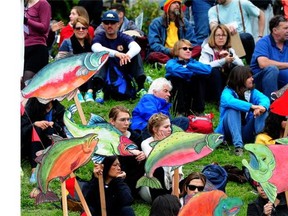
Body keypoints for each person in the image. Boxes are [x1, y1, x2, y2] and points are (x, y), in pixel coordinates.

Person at [89, 10, 147, 104]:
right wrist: (116, 53)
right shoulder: (100, 36)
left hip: (122, 68)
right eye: (106, 23)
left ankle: (141, 87)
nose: (109, 25)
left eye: (112, 23)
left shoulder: (123, 36)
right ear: (103, 25)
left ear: (118, 24)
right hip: (105, 70)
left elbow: (136, 47)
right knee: (100, 55)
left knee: (136, 55)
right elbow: (95, 47)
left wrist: (127, 55)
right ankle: (99, 90)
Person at [215, 65, 270, 156]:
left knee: (262, 111)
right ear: (240, 78)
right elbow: (229, 101)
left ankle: (260, 143)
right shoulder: (227, 92)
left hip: (245, 131)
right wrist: (252, 106)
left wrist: (262, 107)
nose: (252, 79)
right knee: (232, 110)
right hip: (229, 133)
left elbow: (265, 99)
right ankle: (238, 147)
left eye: (252, 76)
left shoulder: (252, 91)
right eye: (249, 77)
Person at [139, 113, 184, 202]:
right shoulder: (146, 143)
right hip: (152, 187)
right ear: (155, 129)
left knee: (193, 179)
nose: (170, 130)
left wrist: (176, 188)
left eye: (170, 126)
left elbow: (177, 167)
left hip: (171, 183)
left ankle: (174, 195)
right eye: (166, 127)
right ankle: (165, 200)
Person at [21, 97, 67, 184]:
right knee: (37, 129)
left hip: (50, 142)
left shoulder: (59, 109)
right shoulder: (32, 105)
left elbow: (63, 131)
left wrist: (54, 124)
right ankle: (35, 170)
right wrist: (34, 124)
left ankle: (52, 166)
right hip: (32, 143)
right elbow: (22, 128)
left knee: (51, 130)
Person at [208, 0, 265, 65]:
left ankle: (252, 66)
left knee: (245, 37)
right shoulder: (213, 10)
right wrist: (225, 27)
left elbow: (261, 14)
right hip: (227, 44)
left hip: (245, 42)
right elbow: (213, 26)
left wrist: (260, 36)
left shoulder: (242, 3)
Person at [165, 39, 212, 116]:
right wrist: (192, 72)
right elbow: (174, 69)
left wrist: (188, 66)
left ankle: (198, 111)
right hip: (178, 96)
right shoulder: (171, 62)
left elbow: (208, 70)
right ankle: (179, 112)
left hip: (192, 95)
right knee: (177, 78)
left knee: (199, 77)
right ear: (177, 50)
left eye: (190, 49)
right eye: (185, 48)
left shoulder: (193, 62)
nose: (188, 51)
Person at [146, 0, 201, 66]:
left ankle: (171, 63)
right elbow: (154, 44)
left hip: (182, 52)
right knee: (153, 55)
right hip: (165, 53)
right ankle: (180, 62)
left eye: (178, 3)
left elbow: (193, 42)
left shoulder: (185, 23)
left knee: (198, 48)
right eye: (174, 3)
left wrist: (183, 50)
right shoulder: (156, 23)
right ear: (167, 6)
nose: (177, 5)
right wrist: (169, 51)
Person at [199, 24, 244, 102]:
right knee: (215, 71)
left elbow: (241, 65)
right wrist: (223, 61)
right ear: (213, 37)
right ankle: (220, 101)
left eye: (223, 35)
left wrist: (231, 58)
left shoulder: (229, 49)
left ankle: (238, 97)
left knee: (236, 69)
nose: (221, 38)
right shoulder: (207, 48)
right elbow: (203, 66)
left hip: (225, 82)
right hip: (211, 84)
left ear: (227, 38)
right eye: (218, 35)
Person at [108, 105, 146, 198]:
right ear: (112, 121)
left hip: (133, 178)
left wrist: (144, 155)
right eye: (122, 120)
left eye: (128, 120)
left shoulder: (136, 137)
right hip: (112, 176)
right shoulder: (106, 138)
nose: (126, 123)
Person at [55, 16, 92, 103]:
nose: (81, 30)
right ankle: (76, 93)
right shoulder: (67, 42)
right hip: (71, 75)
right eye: (78, 28)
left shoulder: (90, 43)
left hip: (86, 75)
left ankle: (89, 92)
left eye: (84, 28)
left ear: (87, 30)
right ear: (74, 29)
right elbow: (59, 62)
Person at [250, 15, 288, 99]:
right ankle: (270, 105)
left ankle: (278, 97)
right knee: (272, 69)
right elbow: (263, 64)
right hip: (261, 82)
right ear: (275, 30)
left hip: (283, 85)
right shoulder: (263, 42)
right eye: (285, 28)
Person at [22, 0, 52, 90]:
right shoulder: (23, 5)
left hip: (37, 48)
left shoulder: (43, 3)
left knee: (27, 84)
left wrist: (26, 20)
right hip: (23, 48)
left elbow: (44, 27)